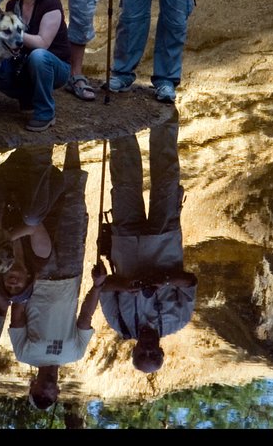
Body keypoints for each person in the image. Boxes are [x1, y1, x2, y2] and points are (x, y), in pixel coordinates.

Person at [6, 141, 102, 411]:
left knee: (41, 215)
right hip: (71, 275)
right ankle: (73, 142)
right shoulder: (76, 353)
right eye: (50, 398)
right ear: (59, 392)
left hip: (39, 276)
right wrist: (97, 288)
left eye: (39, 395)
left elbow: (18, 313)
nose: (46, 392)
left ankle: (41, 153)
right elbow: (85, 318)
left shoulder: (25, 354)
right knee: (72, 208)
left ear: (32, 387)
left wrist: (23, 275)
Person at [98, 112, 197, 374]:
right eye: (154, 353)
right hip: (165, 239)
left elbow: (104, 288)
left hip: (126, 242)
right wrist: (163, 280)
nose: (148, 348)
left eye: (143, 353)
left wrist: (126, 286)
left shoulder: (119, 322)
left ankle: (121, 119)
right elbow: (189, 283)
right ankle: (163, 113)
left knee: (124, 181)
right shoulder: (179, 320)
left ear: (135, 350)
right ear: (162, 350)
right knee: (166, 179)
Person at [0, 0, 71, 131]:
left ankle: (45, 112)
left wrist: (11, 34)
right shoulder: (12, 5)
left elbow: (43, 43)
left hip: (54, 66)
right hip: (22, 63)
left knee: (39, 56)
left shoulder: (51, 3)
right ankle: (26, 97)